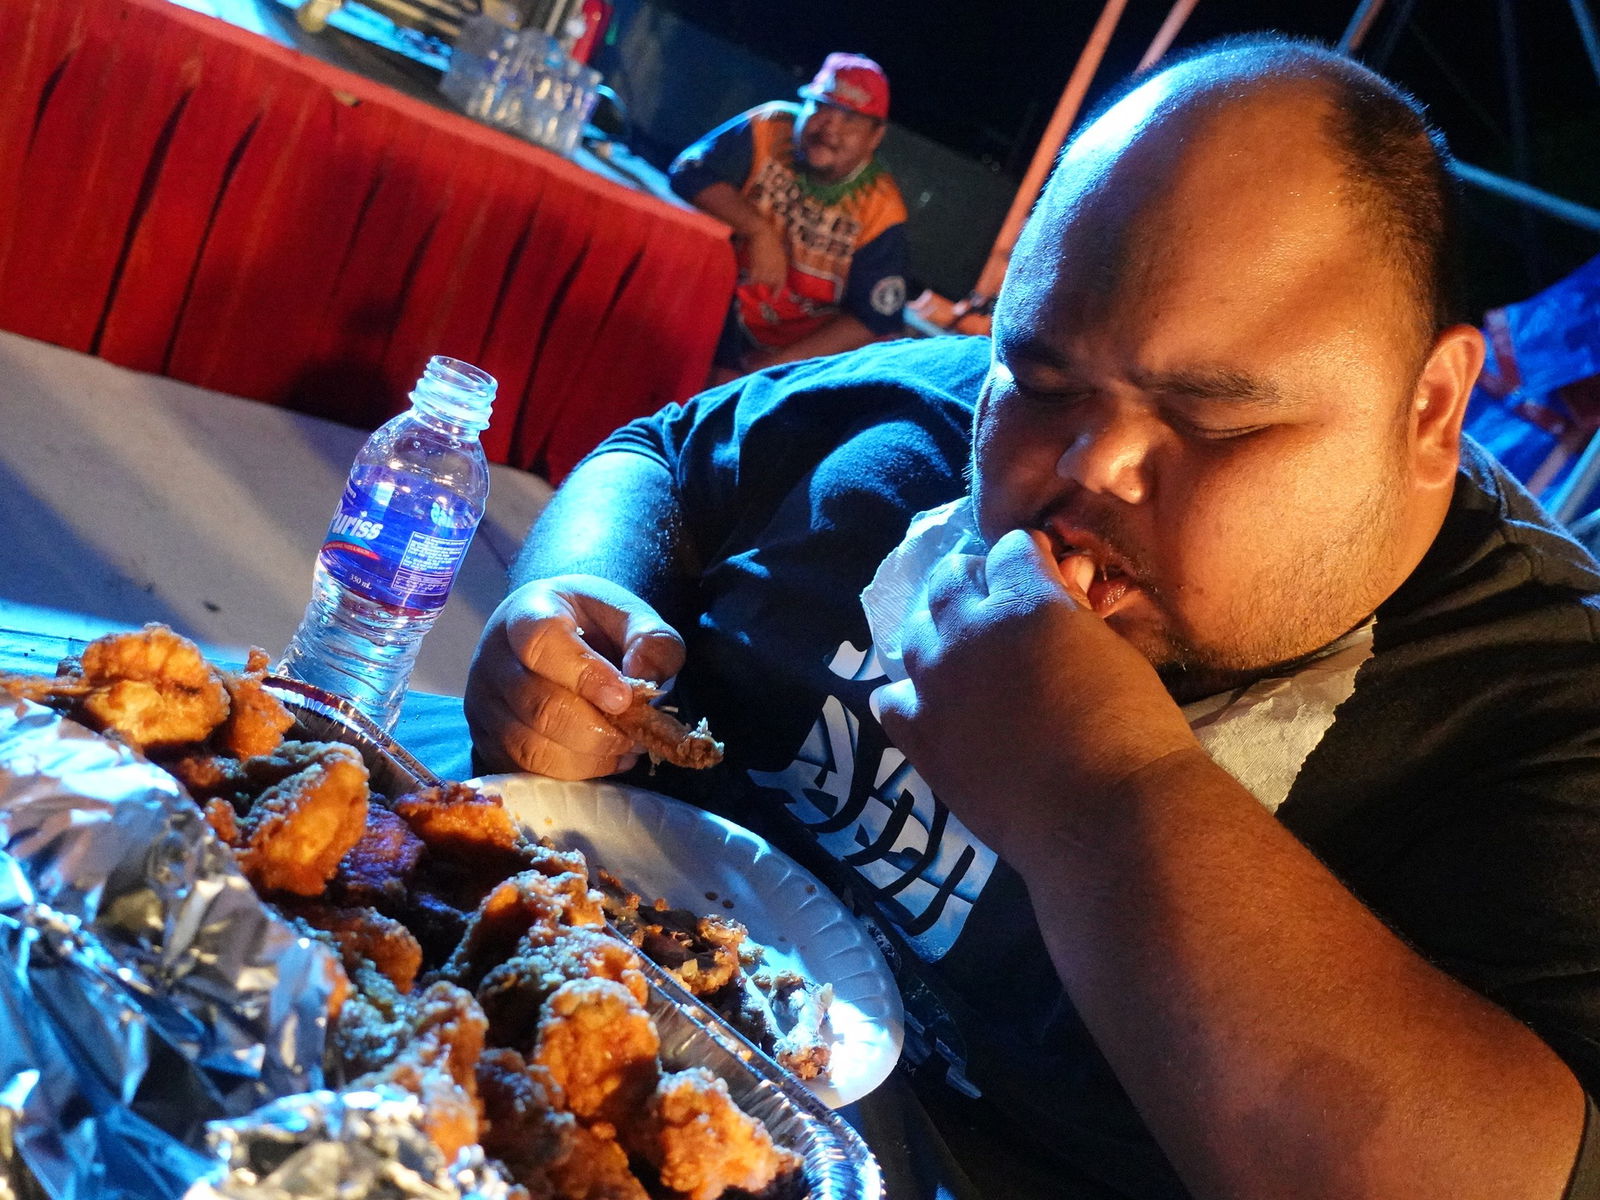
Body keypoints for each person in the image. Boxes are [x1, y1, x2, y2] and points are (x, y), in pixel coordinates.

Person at [465, 35, 1600, 1200]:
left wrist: (1104, 789)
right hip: (514, 989)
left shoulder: (1538, 717)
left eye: (1211, 418)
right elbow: (665, 453)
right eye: (1048, 378)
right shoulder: (939, 402)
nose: (1090, 458)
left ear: (1430, 408)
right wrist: (578, 590)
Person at [668, 52, 909, 383]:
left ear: (875, 136)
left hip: (796, 356)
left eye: (850, 118)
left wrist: (773, 368)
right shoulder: (770, 126)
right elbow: (688, 171)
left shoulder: (882, 209)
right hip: (722, 309)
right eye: (821, 107)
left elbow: (873, 321)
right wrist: (758, 231)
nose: (829, 127)